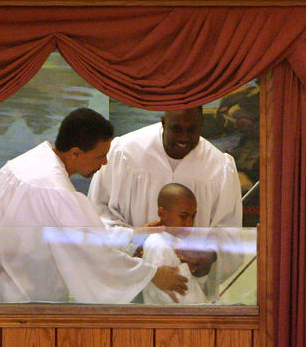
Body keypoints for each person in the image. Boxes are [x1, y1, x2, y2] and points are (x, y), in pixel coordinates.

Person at [0, 107, 188, 304]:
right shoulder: (52, 187)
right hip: (3, 299)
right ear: (76, 153)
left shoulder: (33, 164)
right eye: (100, 157)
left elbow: (82, 234)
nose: (104, 164)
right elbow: (93, 254)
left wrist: (133, 236)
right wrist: (152, 274)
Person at [87, 106, 242, 299]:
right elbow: (96, 219)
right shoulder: (124, 153)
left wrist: (210, 256)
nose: (184, 138)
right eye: (176, 129)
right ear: (163, 122)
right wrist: (134, 242)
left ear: (201, 125)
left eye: (192, 130)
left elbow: (230, 233)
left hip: (186, 289)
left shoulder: (219, 167)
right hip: (127, 289)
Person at [141, 183, 208, 304]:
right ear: (162, 214)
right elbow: (172, 296)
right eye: (183, 216)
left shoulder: (179, 242)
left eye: (193, 216)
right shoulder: (159, 245)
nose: (189, 223)